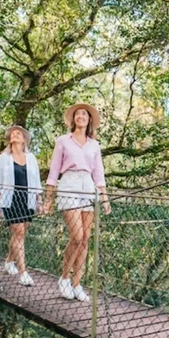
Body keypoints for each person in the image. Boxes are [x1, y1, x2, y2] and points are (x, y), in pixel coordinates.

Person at [43, 103, 110, 301]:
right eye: (77, 114)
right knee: (77, 236)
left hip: (88, 187)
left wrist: (104, 197)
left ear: (89, 120)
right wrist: (49, 198)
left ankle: (77, 284)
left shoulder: (94, 145)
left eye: (84, 114)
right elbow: (54, 170)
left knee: (86, 239)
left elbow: (98, 172)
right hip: (69, 184)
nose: (80, 116)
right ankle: (64, 278)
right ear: (73, 120)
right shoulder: (63, 141)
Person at [0, 125, 42, 286]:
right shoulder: (3, 158)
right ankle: (23, 273)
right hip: (10, 199)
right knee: (19, 232)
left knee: (20, 233)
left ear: (24, 139)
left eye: (18, 133)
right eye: (13, 133)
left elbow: (36, 181)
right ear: (10, 139)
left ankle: (9, 261)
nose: (15, 134)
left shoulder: (31, 158)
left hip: (27, 199)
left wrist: (39, 201)